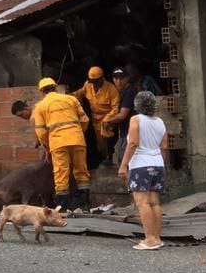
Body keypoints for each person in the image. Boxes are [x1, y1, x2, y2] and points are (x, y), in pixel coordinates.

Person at [31, 77, 91, 212]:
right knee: (81, 170)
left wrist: (47, 146)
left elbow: (40, 131)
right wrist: (78, 133)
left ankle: (62, 207)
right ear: (55, 87)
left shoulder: (40, 106)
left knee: (61, 172)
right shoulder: (71, 99)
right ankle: (85, 204)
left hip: (57, 143)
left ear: (41, 91)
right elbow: (85, 120)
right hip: (77, 139)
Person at [118, 90, 168, 251]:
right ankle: (157, 238)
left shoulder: (136, 119)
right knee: (154, 202)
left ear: (137, 105)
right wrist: (160, 163)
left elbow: (133, 143)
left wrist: (123, 165)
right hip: (157, 165)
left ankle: (149, 239)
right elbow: (165, 147)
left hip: (141, 165)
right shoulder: (160, 122)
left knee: (142, 203)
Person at [72, 67, 120, 164]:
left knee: (107, 139)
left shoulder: (111, 89)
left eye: (96, 81)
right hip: (95, 120)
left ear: (102, 79)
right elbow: (80, 93)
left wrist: (107, 120)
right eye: (92, 81)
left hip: (108, 119)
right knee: (100, 144)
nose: (94, 84)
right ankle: (103, 157)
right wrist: (68, 96)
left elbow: (116, 108)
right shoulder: (88, 85)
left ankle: (109, 158)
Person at [102, 68, 137, 164]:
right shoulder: (120, 92)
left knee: (125, 161)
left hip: (129, 132)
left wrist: (108, 121)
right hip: (124, 131)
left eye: (121, 78)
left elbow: (122, 115)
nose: (118, 81)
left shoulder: (130, 92)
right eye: (116, 78)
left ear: (127, 78)